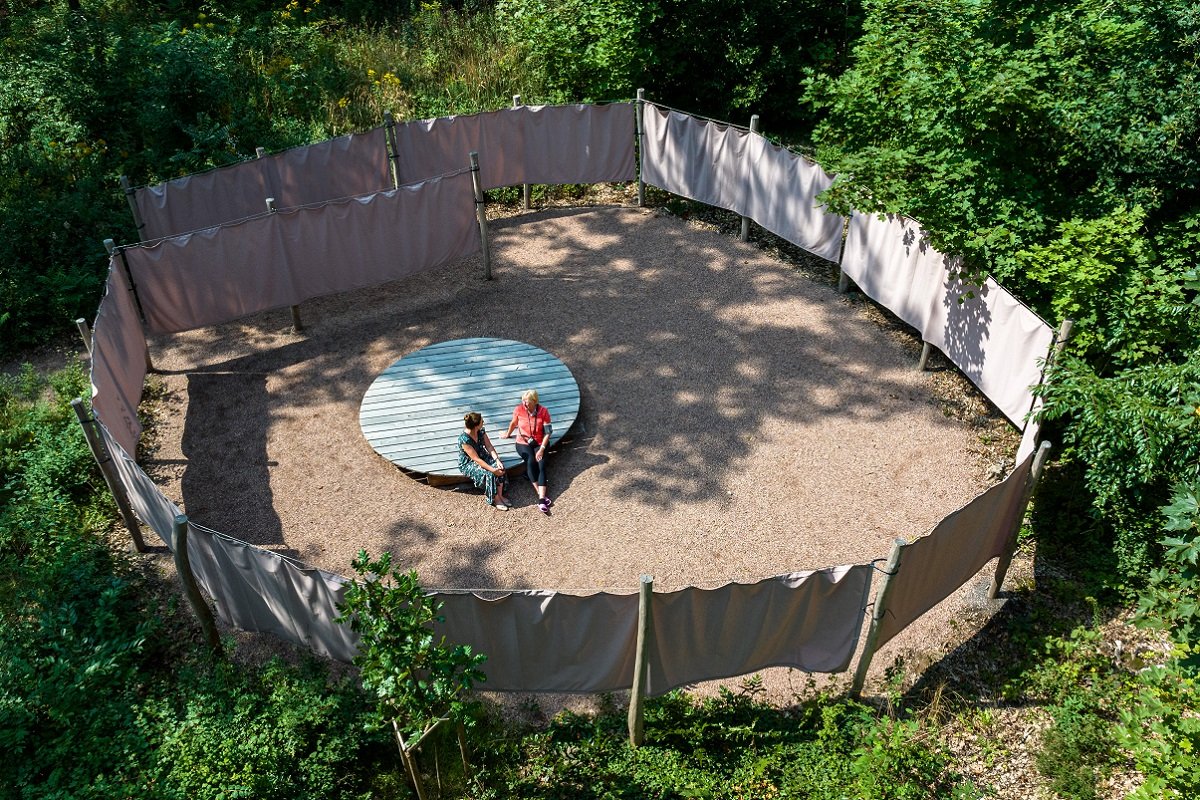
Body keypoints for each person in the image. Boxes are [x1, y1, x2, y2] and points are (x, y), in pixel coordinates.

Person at [504, 389, 553, 514]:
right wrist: (507, 434)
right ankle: (541, 496)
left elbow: (548, 433)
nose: (524, 404)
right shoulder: (519, 410)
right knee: (530, 461)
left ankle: (541, 498)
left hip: (539, 442)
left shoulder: (543, 411)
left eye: (527, 401)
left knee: (541, 464)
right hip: (523, 442)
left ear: (535, 401)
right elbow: (513, 423)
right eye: (523, 401)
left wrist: (542, 449)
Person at [457, 411, 510, 510]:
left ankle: (501, 495)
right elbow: (476, 459)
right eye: (482, 421)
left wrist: (497, 460)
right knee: (489, 473)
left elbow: (489, 446)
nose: (483, 422)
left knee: (500, 467)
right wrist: (492, 470)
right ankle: (496, 499)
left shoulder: (481, 431)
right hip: (469, 462)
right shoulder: (464, 440)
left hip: (482, 455)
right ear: (476, 426)